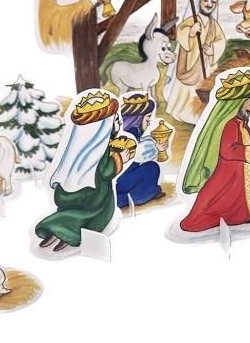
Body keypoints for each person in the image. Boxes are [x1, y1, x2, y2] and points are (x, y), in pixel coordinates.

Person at [35, 91, 132, 252]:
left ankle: (57, 226)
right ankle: (70, 232)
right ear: (103, 126)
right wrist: (120, 157)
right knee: (93, 213)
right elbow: (107, 172)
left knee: (71, 211)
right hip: (94, 201)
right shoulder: (100, 149)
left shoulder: (74, 149)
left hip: (65, 197)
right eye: (115, 119)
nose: (119, 123)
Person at [180, 70, 250, 232]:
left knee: (238, 195)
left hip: (239, 171)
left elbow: (247, 138)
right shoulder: (230, 125)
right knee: (220, 196)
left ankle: (245, 215)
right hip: (228, 173)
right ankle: (205, 218)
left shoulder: (242, 124)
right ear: (238, 102)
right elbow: (228, 150)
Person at [163, 0, 226, 124]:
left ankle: (203, 112)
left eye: (213, 1)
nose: (209, 4)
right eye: (206, 0)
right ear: (199, 1)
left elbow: (221, 41)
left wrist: (213, 49)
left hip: (207, 65)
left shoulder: (214, 25)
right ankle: (185, 111)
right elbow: (181, 33)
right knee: (188, 93)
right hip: (190, 63)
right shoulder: (191, 21)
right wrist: (190, 33)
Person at [115, 93, 167, 208]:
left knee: (149, 168)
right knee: (152, 167)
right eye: (148, 117)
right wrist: (158, 149)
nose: (149, 121)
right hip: (121, 180)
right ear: (138, 118)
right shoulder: (132, 133)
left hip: (121, 179)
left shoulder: (129, 132)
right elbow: (140, 154)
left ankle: (133, 196)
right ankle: (137, 197)